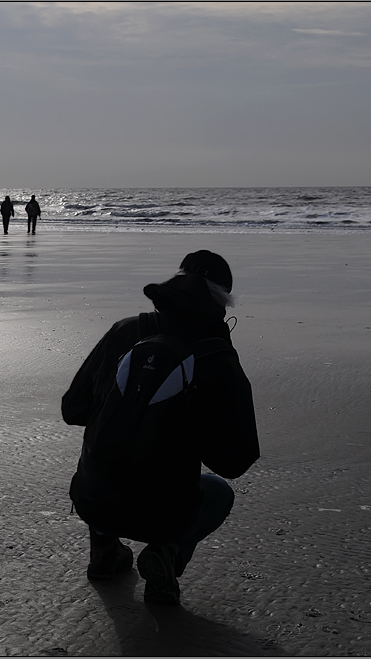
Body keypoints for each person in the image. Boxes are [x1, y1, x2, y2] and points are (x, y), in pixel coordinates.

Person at [61, 250, 259, 606]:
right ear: (222, 304)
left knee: (107, 454)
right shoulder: (218, 358)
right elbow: (235, 463)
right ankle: (167, 553)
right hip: (163, 512)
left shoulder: (125, 331)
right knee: (219, 494)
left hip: (93, 498)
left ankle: (104, 551)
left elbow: (72, 410)